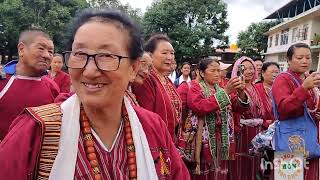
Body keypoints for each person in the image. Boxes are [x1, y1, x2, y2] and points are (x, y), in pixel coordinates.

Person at [0, 8, 190, 179]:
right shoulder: (35, 130)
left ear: (133, 68)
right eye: (80, 54)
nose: (89, 71)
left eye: (107, 56)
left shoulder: (153, 128)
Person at [181, 58, 248, 179]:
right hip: (202, 142)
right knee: (204, 173)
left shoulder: (221, 89)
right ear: (201, 73)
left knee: (220, 173)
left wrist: (241, 92)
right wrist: (227, 91)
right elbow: (200, 106)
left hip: (221, 141)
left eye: (219, 70)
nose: (217, 74)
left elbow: (240, 108)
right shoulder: (195, 88)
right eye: (213, 70)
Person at [0, 29, 59, 140]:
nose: (47, 55)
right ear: (21, 49)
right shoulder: (3, 82)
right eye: (41, 49)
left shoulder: (52, 87)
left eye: (51, 52)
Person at [272, 43, 319, 180]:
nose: (305, 61)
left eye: (308, 57)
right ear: (288, 59)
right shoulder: (282, 79)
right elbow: (284, 108)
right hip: (291, 138)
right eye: (299, 57)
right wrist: (304, 88)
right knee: (289, 177)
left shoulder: (307, 78)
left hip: (310, 138)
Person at [132, 34, 182, 141]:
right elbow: (146, 119)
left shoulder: (168, 81)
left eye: (172, 53)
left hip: (170, 140)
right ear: (150, 55)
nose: (170, 57)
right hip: (156, 141)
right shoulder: (145, 79)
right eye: (164, 53)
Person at [231, 56, 266, 180]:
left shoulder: (256, 87)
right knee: (241, 163)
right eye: (244, 69)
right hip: (242, 132)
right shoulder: (235, 88)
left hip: (257, 133)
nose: (249, 71)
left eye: (251, 68)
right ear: (238, 71)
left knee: (254, 164)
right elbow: (238, 107)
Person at [255, 62, 280, 129]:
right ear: (263, 73)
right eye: (272, 72)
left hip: (279, 126)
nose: (275, 75)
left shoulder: (282, 89)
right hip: (260, 127)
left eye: (277, 72)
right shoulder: (256, 88)